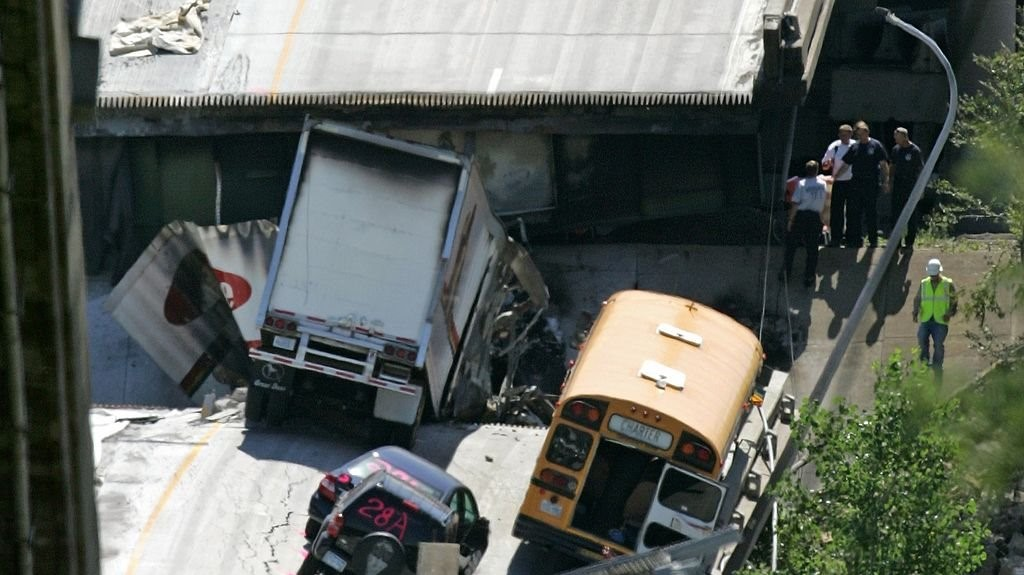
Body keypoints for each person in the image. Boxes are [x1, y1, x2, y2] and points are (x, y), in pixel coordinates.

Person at [834, 121, 890, 248]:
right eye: (857, 135)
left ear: (867, 132)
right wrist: (836, 176)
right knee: (855, 212)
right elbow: (846, 164)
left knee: (871, 211)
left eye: (861, 134)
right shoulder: (855, 147)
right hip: (856, 182)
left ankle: (873, 239)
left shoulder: (875, 145)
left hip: (871, 182)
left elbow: (883, 164)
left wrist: (885, 181)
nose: (860, 137)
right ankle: (856, 239)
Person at [781, 160, 830, 288]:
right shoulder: (823, 185)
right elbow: (824, 202)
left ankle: (786, 273)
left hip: (802, 216)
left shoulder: (801, 184)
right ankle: (809, 276)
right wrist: (823, 218)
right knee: (813, 248)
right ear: (817, 170)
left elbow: (795, 203)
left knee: (792, 245)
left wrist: (790, 220)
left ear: (806, 170)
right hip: (815, 217)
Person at [912, 258, 957, 369]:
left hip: (940, 320)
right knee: (922, 341)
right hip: (926, 319)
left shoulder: (948, 284)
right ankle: (924, 363)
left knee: (938, 345)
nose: (933, 278)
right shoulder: (924, 283)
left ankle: (937, 365)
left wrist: (950, 313)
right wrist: (915, 311)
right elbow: (918, 298)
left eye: (935, 275)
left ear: (939, 272)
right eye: (931, 276)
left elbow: (954, 299)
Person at [887, 127, 924, 249]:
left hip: (911, 185)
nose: (895, 139)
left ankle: (909, 242)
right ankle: (896, 242)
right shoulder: (896, 150)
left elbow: (920, 171)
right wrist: (889, 181)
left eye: (896, 137)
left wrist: (921, 188)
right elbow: (892, 166)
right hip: (898, 185)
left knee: (911, 214)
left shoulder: (915, 151)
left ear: (904, 136)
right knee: (896, 213)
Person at [821, 124, 855, 247]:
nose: (843, 137)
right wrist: (827, 164)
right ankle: (836, 237)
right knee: (836, 211)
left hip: (853, 181)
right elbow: (824, 164)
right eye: (841, 135)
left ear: (851, 135)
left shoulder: (855, 145)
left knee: (852, 210)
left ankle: (851, 237)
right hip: (838, 181)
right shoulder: (834, 146)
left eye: (846, 135)